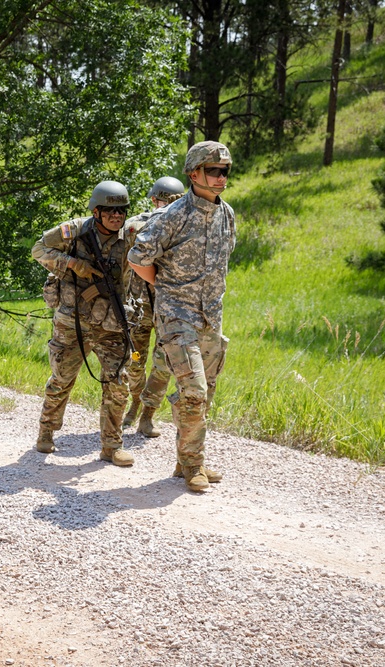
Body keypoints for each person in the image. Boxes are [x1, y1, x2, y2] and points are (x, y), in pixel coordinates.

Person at [127, 142, 235, 492]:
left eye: (224, 171)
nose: (220, 178)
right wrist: (166, 290)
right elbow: (137, 258)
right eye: (213, 170)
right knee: (194, 390)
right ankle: (193, 465)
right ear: (194, 173)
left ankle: (184, 458)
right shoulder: (172, 215)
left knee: (208, 392)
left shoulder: (227, 215)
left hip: (210, 317)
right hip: (176, 316)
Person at [32, 180, 136, 467]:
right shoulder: (75, 231)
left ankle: (112, 446)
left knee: (118, 383)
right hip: (72, 321)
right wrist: (73, 264)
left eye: (121, 212)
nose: (117, 217)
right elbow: (39, 250)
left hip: (113, 323)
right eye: (110, 212)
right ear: (96, 211)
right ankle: (47, 431)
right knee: (62, 378)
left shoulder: (130, 236)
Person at [120, 176, 186, 439]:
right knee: (142, 362)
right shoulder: (133, 226)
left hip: (163, 310)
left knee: (156, 363)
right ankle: (138, 403)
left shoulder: (182, 228)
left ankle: (146, 414)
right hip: (140, 311)